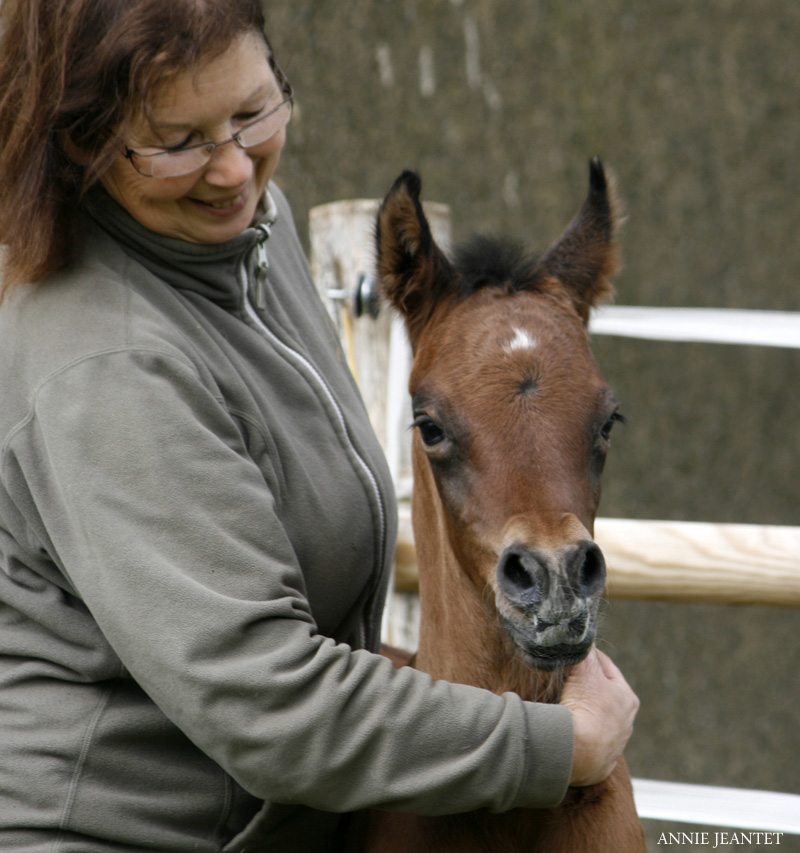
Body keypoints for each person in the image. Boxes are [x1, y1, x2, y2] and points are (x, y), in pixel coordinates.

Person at [0, 1, 639, 850]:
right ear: (85, 140)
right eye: (180, 140)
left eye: (253, 111)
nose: (233, 170)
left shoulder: (246, 236)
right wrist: (559, 745)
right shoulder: (105, 362)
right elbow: (267, 703)